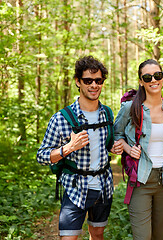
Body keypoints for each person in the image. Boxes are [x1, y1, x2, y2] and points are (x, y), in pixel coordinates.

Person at [37, 55, 123, 239]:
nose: (94, 85)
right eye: (88, 80)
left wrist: (113, 148)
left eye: (98, 80)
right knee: (68, 237)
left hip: (103, 186)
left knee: (97, 234)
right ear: (78, 81)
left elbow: (106, 145)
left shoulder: (107, 113)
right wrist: (67, 148)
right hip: (75, 187)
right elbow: (42, 156)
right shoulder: (61, 118)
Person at [114, 59, 163, 240]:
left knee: (160, 236)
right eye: (147, 77)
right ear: (141, 81)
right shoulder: (130, 108)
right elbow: (116, 134)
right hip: (140, 180)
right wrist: (127, 148)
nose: (153, 80)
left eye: (157, 75)